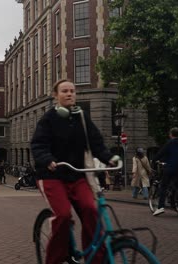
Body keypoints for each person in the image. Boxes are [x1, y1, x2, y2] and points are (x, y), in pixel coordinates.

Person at [31, 79, 119, 264]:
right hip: (52, 176)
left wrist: (109, 158)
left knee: (90, 211)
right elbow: (38, 145)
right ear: (56, 95)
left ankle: (94, 258)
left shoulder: (83, 118)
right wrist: (48, 160)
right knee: (63, 215)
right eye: (64, 91)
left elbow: (96, 143)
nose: (69, 94)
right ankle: (54, 260)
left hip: (77, 175)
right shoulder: (48, 119)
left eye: (72, 91)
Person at [152, 127, 178, 216]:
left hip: (172, 168)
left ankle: (160, 207)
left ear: (171, 134)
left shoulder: (170, 143)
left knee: (163, 185)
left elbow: (161, 153)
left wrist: (154, 160)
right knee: (176, 185)